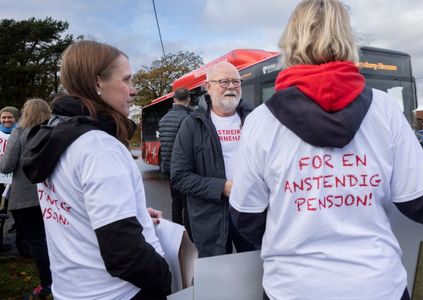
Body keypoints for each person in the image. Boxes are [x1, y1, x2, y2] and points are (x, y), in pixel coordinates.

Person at [229, 1, 423, 300]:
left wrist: (293, 230)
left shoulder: (260, 121)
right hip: (376, 285)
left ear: (291, 43)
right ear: (347, 39)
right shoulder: (384, 110)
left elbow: (247, 219)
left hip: (293, 288)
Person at [22, 40, 171, 300]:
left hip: (71, 290)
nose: (133, 90)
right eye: (126, 79)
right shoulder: (99, 147)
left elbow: (73, 205)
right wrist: (166, 276)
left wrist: (132, 212)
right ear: (97, 83)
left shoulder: (56, 136)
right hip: (119, 293)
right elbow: (124, 255)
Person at [170, 61, 255, 258]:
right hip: (209, 219)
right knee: (217, 282)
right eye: (224, 82)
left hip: (251, 212)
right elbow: (179, 177)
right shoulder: (191, 125)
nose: (232, 86)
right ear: (208, 87)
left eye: (236, 81)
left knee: (255, 274)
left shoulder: (255, 119)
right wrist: (223, 188)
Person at [0, 98, 53, 298]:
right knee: (51, 240)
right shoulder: (53, 133)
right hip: (51, 195)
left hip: (26, 198)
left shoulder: (19, 132)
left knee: (37, 242)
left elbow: (6, 166)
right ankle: (60, 279)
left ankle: (47, 284)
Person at [158, 88, 192, 237]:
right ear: (189, 100)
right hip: (184, 169)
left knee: (175, 202)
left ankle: (177, 234)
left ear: (173, 100)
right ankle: (189, 235)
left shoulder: (164, 119)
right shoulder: (188, 118)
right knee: (188, 204)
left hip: (170, 168)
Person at [0, 105, 30, 257]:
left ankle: (22, 245)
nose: (6, 120)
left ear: (15, 118)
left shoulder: (21, 132)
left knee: (16, 214)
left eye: (9, 117)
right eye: (4, 117)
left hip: (16, 180)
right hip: (0, 178)